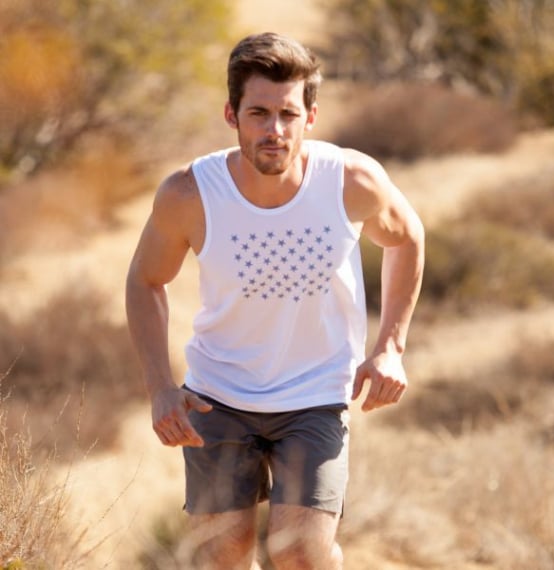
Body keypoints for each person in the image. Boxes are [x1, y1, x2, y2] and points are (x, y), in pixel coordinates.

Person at [126, 32, 424, 570]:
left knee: (303, 555)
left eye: (288, 114)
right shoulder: (189, 194)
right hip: (217, 397)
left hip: (314, 396)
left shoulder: (350, 180)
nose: (274, 130)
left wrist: (391, 348)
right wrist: (159, 389)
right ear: (231, 114)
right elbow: (145, 281)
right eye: (258, 113)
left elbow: (406, 237)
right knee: (221, 555)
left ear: (311, 116)